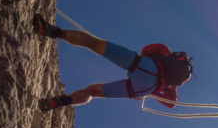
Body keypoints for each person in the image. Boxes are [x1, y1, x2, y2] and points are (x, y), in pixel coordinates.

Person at [33, 14, 193, 111]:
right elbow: (171, 104)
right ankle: (60, 101)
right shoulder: (172, 85)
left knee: (94, 44)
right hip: (142, 89)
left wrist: (138, 66)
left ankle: (51, 31)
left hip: (144, 65)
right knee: (92, 92)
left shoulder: (165, 51)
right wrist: (153, 91)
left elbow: (146, 50)